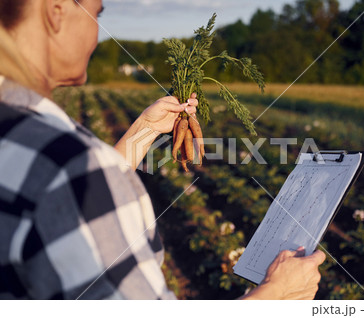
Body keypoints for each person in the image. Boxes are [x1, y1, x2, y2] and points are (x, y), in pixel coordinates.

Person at [0, 0, 325, 300]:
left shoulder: (20, 135)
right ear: (56, 11)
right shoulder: (71, 167)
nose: (97, 34)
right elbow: (73, 182)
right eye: (97, 14)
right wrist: (274, 296)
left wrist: (146, 129)